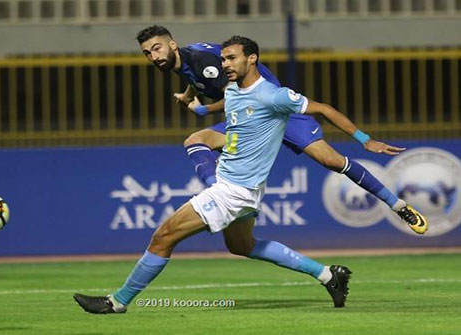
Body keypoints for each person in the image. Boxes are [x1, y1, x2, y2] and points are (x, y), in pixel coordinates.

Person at [71, 35, 414, 314]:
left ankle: (117, 302)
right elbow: (223, 98)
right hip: (247, 190)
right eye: (223, 60)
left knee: (163, 237)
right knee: (242, 245)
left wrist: (366, 140)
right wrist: (201, 107)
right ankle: (328, 275)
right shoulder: (232, 90)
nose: (224, 65)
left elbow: (322, 108)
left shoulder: (272, 95)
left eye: (231, 59)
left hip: (233, 190)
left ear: (251, 59)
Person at [133, 25, 427, 235]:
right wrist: (188, 94)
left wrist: (203, 110)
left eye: (157, 48)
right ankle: (217, 189)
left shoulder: (205, 60)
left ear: (172, 44)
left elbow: (236, 97)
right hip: (250, 119)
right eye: (147, 53)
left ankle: (399, 205)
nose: (153, 56)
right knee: (196, 141)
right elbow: (199, 78)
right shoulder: (185, 59)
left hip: (277, 112)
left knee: (332, 161)